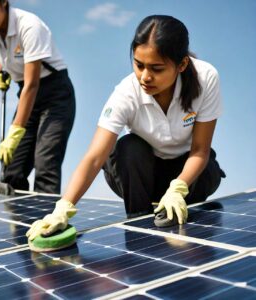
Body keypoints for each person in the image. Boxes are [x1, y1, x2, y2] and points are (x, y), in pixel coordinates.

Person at [26, 15, 226, 240]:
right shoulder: (125, 93)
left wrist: (178, 188)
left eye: (157, 68)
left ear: (182, 64)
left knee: (205, 171)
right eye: (139, 65)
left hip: (189, 177)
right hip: (140, 178)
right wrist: (62, 208)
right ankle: (140, 228)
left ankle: (174, 207)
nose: (145, 77)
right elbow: (94, 157)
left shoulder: (206, 78)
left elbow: (200, 150)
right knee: (128, 147)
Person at [0, 0, 75, 194]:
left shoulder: (29, 26)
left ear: (3, 2)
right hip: (27, 94)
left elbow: (32, 84)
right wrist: (3, 73)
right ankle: (18, 224)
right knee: (12, 170)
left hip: (55, 96)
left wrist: (15, 131)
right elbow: (4, 57)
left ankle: (45, 222)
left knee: (45, 166)